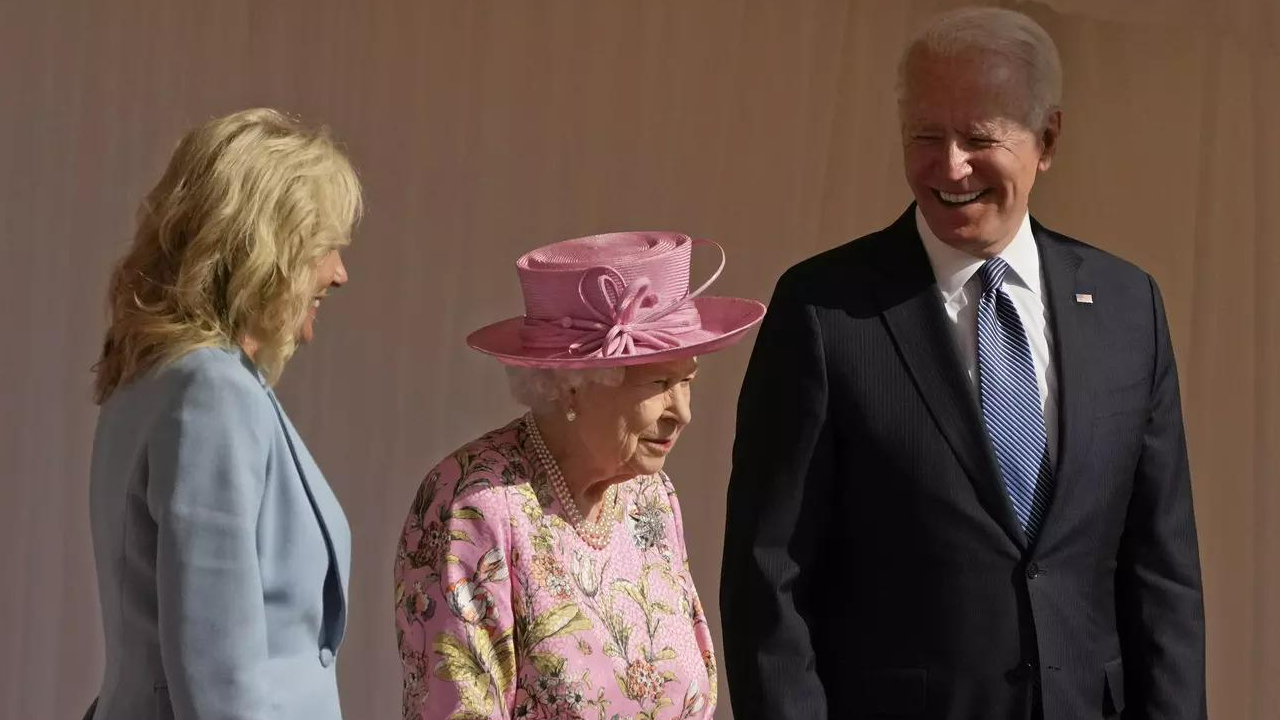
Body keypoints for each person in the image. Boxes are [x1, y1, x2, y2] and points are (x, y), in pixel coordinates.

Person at [720, 8, 1205, 719]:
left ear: (1048, 139)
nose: (949, 167)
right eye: (925, 136)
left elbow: (1163, 572)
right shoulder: (827, 311)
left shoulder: (1129, 308)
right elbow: (770, 577)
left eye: (979, 138)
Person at [393, 231, 764, 719]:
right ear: (571, 388)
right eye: (659, 383)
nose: (683, 412)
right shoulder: (475, 506)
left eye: (687, 381)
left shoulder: (649, 495)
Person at [87, 108, 362, 720]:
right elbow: (216, 675)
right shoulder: (212, 391)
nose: (339, 273)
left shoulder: (154, 377)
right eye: (324, 246)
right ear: (264, 246)